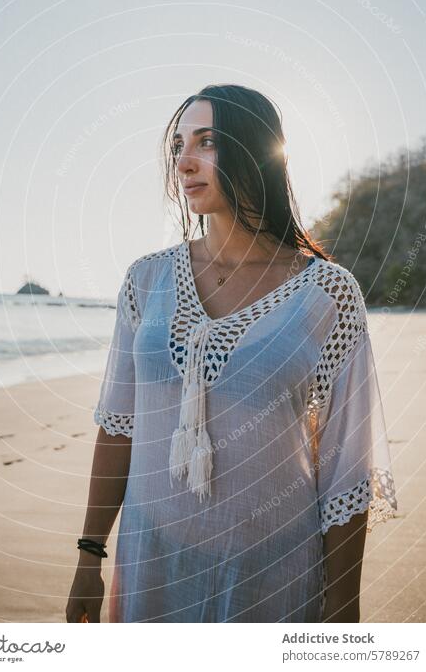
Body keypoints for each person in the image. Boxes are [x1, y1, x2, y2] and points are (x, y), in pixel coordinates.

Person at [66, 83, 397, 623]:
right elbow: (119, 427)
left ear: (255, 151)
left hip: (271, 575)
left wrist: (343, 610)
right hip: (150, 566)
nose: (185, 161)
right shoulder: (145, 281)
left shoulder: (327, 294)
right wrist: (89, 555)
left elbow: (346, 469)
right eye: (178, 145)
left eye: (208, 141)